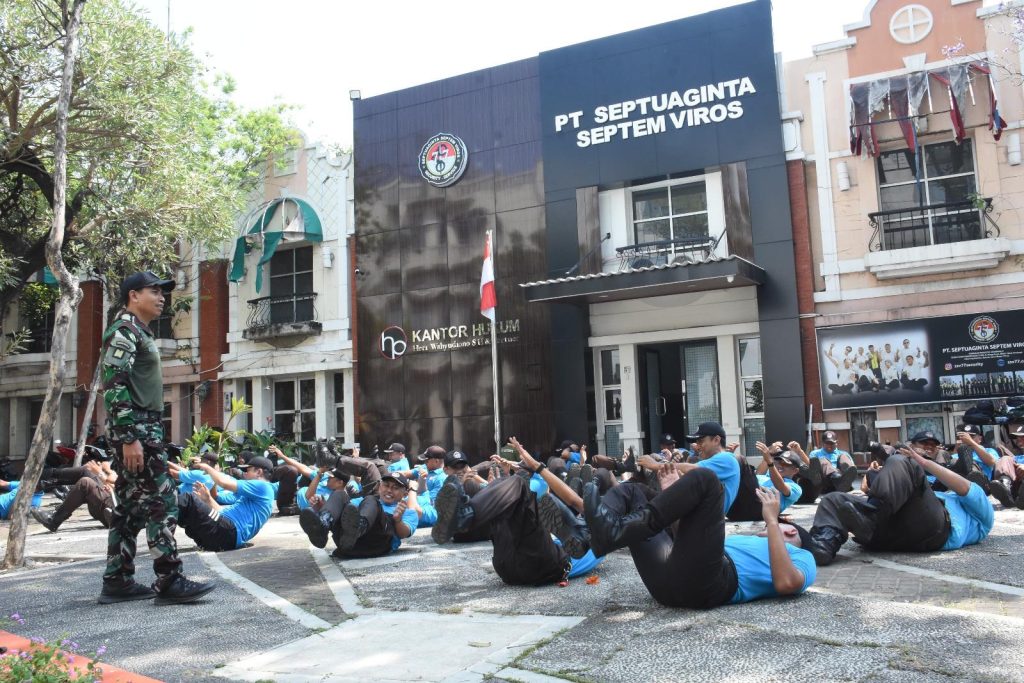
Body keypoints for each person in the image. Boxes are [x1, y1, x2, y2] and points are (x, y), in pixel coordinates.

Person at [99, 271, 214, 605]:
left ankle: (117, 580)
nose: (162, 297)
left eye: (163, 292)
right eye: (155, 291)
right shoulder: (124, 331)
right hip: (137, 429)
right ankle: (169, 579)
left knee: (129, 509)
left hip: (142, 428)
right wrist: (128, 437)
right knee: (162, 502)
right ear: (133, 295)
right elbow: (115, 384)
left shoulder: (139, 331)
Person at [582, 468, 815, 608]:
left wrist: (773, 521)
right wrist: (673, 499)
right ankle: (589, 533)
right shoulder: (750, 542)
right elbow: (686, 547)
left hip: (711, 586)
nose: (766, 527)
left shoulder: (802, 555)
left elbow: (787, 583)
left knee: (707, 480)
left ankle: (605, 532)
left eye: (777, 526)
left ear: (791, 531)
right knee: (634, 491)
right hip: (666, 582)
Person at [432, 437, 603, 586]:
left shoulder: (599, 529)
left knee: (517, 485)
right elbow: (573, 504)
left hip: (533, 565)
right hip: (521, 564)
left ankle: (466, 515)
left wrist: (537, 467)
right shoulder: (596, 536)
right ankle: (468, 512)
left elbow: (574, 501)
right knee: (507, 488)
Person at [805, 448, 994, 566]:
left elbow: (964, 487)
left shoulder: (983, 512)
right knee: (833, 500)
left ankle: (871, 518)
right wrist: (883, 474)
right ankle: (824, 544)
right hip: (887, 535)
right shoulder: (937, 494)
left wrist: (922, 462)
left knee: (901, 462)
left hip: (933, 532)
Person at [174, 456, 276, 552]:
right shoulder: (256, 495)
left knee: (189, 499)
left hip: (228, 533)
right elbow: (221, 513)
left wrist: (207, 468)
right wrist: (208, 499)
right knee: (187, 513)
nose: (244, 474)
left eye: (247, 470)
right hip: (225, 537)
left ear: (258, 472)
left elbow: (224, 483)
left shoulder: (263, 486)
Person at [31, 461, 116, 531]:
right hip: (111, 502)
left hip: (115, 514)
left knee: (85, 483)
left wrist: (103, 473)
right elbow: (115, 482)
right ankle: (47, 477)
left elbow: (116, 485)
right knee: (88, 470)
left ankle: (53, 520)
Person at [753, 444, 803, 512]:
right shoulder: (766, 476)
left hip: (760, 509)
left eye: (785, 464)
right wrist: (769, 455)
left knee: (742, 461)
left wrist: (770, 463)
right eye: (778, 462)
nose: (780, 466)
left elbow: (779, 485)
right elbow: (757, 475)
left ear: (795, 470)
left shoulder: (795, 488)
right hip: (746, 500)